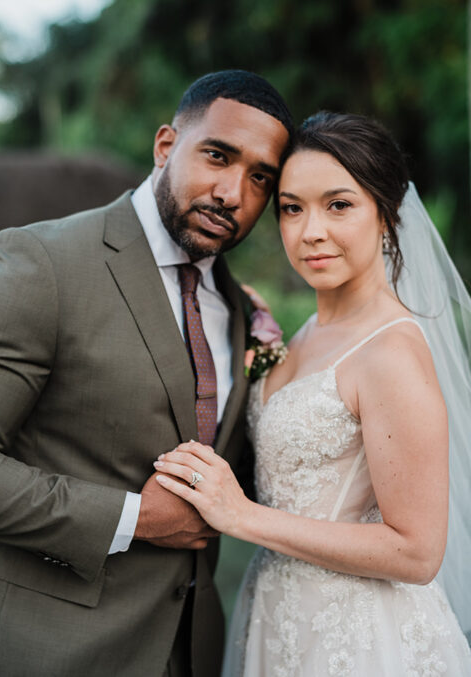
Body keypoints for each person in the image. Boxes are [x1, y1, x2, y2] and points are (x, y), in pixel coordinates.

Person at [0, 70, 293, 676]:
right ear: (166, 145)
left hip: (191, 650)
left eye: (260, 178)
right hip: (50, 650)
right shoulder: (40, 262)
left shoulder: (240, 309)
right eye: (217, 156)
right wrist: (133, 519)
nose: (232, 193)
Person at [153, 112, 471, 674]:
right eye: (292, 208)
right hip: (278, 615)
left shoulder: (389, 352)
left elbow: (417, 553)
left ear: (387, 214)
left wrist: (241, 515)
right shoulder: (297, 335)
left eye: (339, 205)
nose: (311, 231)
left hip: (362, 638)